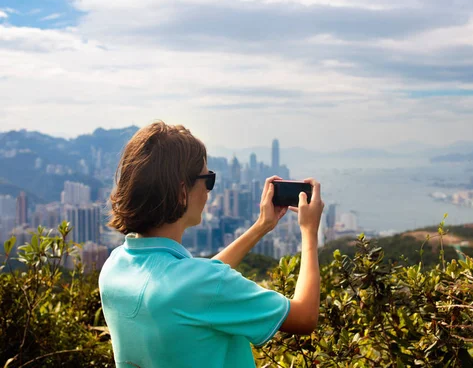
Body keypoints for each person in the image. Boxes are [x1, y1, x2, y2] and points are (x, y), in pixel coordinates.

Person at [99, 121, 324, 368]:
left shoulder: (114, 267)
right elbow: (304, 317)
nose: (209, 191)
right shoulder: (200, 285)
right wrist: (310, 232)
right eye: (208, 179)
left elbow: (196, 289)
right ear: (181, 192)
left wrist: (262, 226)